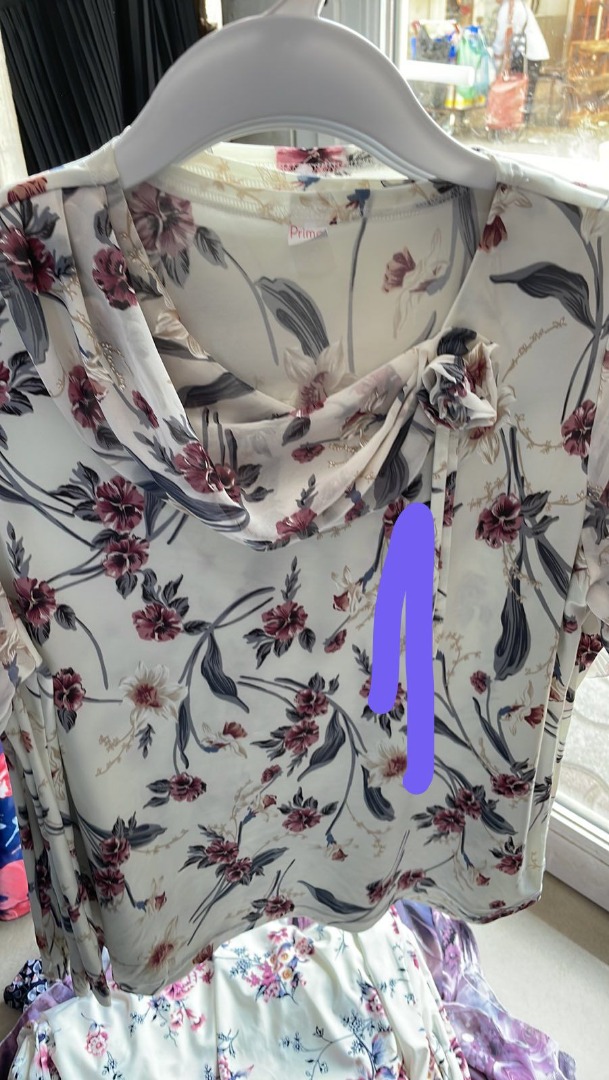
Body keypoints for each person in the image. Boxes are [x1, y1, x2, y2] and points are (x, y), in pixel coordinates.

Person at [492, 0, 550, 123]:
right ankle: (520, 121)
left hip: (528, 54)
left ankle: (517, 122)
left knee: (520, 89)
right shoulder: (517, 4)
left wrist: (496, 58)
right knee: (525, 91)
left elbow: (501, 37)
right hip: (531, 53)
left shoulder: (507, 8)